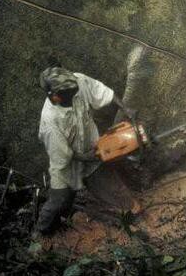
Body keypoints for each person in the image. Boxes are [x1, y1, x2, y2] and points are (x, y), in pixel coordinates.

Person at [34, 66, 133, 236]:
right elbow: (62, 155)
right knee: (59, 201)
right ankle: (41, 234)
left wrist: (125, 108)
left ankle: (130, 217)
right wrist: (85, 157)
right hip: (67, 165)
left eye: (75, 91)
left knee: (118, 193)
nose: (75, 95)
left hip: (92, 148)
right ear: (55, 97)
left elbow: (104, 93)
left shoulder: (77, 81)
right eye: (70, 95)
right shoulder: (50, 122)